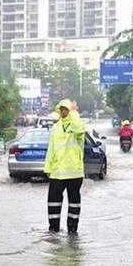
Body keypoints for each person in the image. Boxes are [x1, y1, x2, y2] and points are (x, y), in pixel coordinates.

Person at [43, 99, 86, 234]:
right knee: (53, 202)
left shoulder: (76, 125)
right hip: (57, 172)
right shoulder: (55, 128)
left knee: (74, 203)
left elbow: (79, 129)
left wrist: (74, 112)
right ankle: (53, 230)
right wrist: (48, 168)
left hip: (74, 173)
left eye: (66, 109)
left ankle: (72, 231)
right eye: (61, 109)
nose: (63, 111)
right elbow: (51, 149)